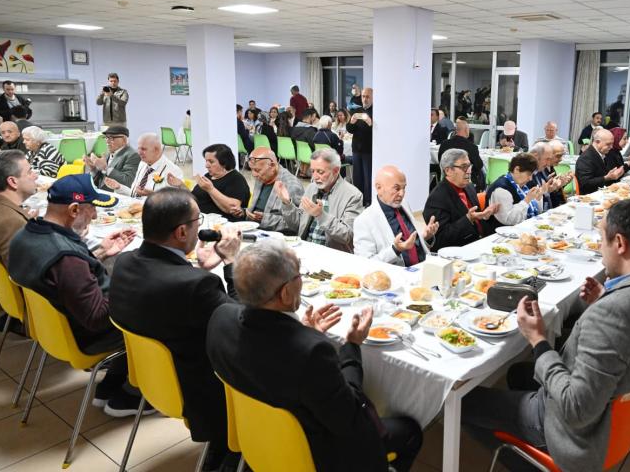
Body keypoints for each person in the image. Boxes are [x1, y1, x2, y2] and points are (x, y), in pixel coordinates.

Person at [461, 199, 630, 472]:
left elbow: (575, 408)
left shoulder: (611, 316)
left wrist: (538, 341)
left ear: (620, 243)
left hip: (577, 427)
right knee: (518, 373)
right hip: (629, 412)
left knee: (462, 402)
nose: (600, 249)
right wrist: (606, 299)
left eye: (602, 239)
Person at [207, 240, 423, 472]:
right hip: (313, 454)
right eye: (298, 274)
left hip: (256, 438)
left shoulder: (220, 318)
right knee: (410, 431)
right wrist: (351, 346)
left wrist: (303, 333)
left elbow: (270, 356)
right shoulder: (311, 352)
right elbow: (349, 418)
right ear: (286, 293)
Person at [110, 189, 242, 470]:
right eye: (197, 222)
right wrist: (231, 263)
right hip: (200, 391)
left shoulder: (124, 262)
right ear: (182, 231)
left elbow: (173, 302)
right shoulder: (195, 286)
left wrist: (199, 268)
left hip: (151, 379)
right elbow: (243, 326)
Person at [8, 175, 137, 413]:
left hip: (51, 329)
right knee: (163, 309)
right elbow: (97, 318)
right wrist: (132, 285)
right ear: (74, 209)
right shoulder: (66, 258)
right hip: (90, 335)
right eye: (92, 209)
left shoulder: (25, 236)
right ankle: (133, 394)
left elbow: (64, 278)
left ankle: (113, 381)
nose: (95, 216)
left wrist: (100, 252)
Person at [276, 148, 362, 252]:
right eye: (312, 171)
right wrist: (287, 203)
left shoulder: (353, 195)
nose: (315, 177)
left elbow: (347, 235)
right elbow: (298, 225)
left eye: (320, 172)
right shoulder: (312, 188)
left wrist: (321, 215)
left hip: (331, 253)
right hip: (305, 248)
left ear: (336, 170)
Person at [354, 166, 438, 266]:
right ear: (379, 188)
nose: (402, 194)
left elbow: (413, 244)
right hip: (399, 273)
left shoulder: (404, 204)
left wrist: (426, 237)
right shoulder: (364, 221)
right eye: (396, 188)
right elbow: (365, 264)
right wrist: (395, 250)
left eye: (404, 188)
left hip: (425, 267)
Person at [423, 148, 498, 251]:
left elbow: (478, 222)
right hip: (460, 250)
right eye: (464, 167)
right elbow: (440, 240)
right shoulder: (437, 198)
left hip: (480, 243)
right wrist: (468, 219)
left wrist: (485, 216)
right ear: (448, 170)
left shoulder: (469, 187)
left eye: (469, 166)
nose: (469, 171)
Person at [166, 144, 250, 222]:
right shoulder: (209, 176)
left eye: (211, 162)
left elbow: (232, 208)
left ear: (224, 163)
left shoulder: (236, 179)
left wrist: (211, 189)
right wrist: (181, 185)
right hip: (199, 219)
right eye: (206, 161)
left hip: (221, 223)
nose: (206, 165)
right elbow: (194, 198)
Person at [239, 147, 303, 233]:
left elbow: (297, 223)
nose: (254, 174)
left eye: (257, 170)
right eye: (252, 169)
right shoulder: (262, 177)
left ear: (272, 166)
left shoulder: (291, 185)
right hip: (255, 230)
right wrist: (246, 212)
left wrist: (265, 219)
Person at [105, 133, 183, 197]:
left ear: (157, 150)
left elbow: (174, 202)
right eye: (138, 149)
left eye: (143, 149)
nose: (139, 153)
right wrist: (119, 187)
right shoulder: (142, 164)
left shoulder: (173, 171)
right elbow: (134, 195)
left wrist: (153, 194)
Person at [0, 150, 37, 266]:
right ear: (13, 181)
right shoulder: (10, 221)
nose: (35, 176)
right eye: (29, 172)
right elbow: (25, 269)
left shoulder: (1, 207)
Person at [486, 153, 547, 226]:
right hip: (503, 231)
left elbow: (538, 212)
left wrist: (538, 197)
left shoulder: (521, 184)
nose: (530, 179)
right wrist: (527, 200)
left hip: (523, 227)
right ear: (517, 169)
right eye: (529, 174)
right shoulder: (501, 189)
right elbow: (509, 221)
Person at [575, 129, 630, 195]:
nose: (611, 147)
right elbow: (585, 183)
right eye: (608, 144)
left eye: (612, 144)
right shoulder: (586, 158)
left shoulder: (603, 153)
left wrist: (615, 175)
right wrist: (606, 178)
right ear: (597, 142)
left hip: (603, 192)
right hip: (591, 195)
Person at [84, 126, 141, 192]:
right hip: (101, 193)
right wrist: (94, 169)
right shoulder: (107, 153)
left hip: (116, 195)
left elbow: (128, 181)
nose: (107, 141)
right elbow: (100, 182)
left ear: (124, 140)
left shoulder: (133, 155)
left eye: (111, 138)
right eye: (106, 137)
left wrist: (105, 168)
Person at [438, 117, 485, 190]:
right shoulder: (471, 147)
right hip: (464, 183)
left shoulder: (444, 144)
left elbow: (440, 161)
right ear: (466, 130)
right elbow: (479, 165)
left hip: (447, 181)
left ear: (456, 130)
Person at [347, 87, 373, 206]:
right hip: (356, 148)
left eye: (367, 96)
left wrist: (370, 123)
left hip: (368, 149)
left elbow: (377, 132)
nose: (365, 99)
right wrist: (351, 122)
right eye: (363, 96)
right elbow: (350, 129)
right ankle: (358, 199)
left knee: (368, 177)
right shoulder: (357, 111)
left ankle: (367, 200)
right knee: (357, 176)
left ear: (372, 98)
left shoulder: (376, 111)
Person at [528, 142, 571, 211]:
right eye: (547, 159)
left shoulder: (540, 169)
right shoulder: (526, 174)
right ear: (536, 156)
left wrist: (555, 187)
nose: (548, 163)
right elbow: (529, 203)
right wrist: (547, 190)